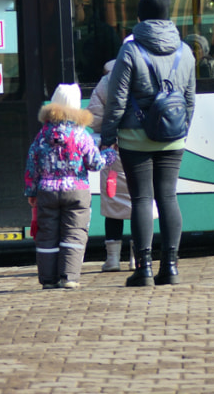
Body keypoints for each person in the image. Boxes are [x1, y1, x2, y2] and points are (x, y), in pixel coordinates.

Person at [95, 0, 196, 287]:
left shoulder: (130, 50)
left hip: (135, 137)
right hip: (173, 138)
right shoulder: (185, 51)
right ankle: (172, 268)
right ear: (168, 17)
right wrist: (181, 129)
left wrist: (109, 136)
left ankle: (144, 270)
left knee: (141, 198)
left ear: (139, 18)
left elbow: (116, 100)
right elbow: (190, 99)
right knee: (168, 197)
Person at [25, 83, 114, 289]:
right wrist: (110, 154)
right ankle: (68, 277)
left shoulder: (42, 135)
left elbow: (32, 164)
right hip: (77, 191)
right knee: (74, 232)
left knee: (47, 235)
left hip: (46, 191)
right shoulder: (81, 135)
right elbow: (94, 163)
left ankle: (48, 280)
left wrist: (31, 191)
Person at [87, 59, 134, 272]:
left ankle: (113, 260)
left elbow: (94, 119)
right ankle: (139, 258)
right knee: (140, 202)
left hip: (113, 152)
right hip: (142, 150)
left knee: (113, 202)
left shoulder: (107, 81)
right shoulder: (150, 75)